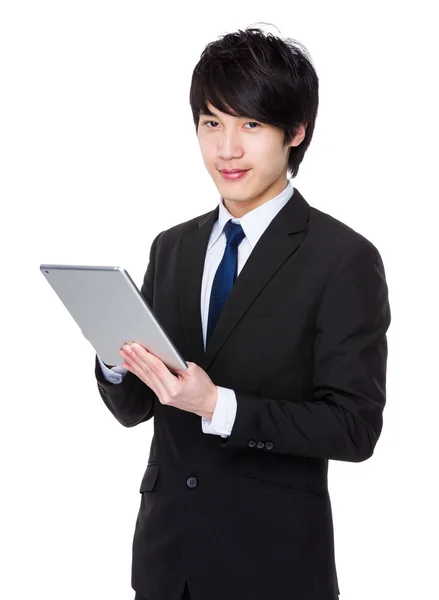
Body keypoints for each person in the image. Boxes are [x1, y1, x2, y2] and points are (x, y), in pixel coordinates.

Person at [94, 25, 391, 600]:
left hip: (271, 566)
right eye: (212, 123)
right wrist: (114, 357)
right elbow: (135, 408)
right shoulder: (172, 247)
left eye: (250, 125)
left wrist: (218, 406)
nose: (226, 149)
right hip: (166, 563)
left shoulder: (343, 258)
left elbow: (355, 427)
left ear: (296, 132)